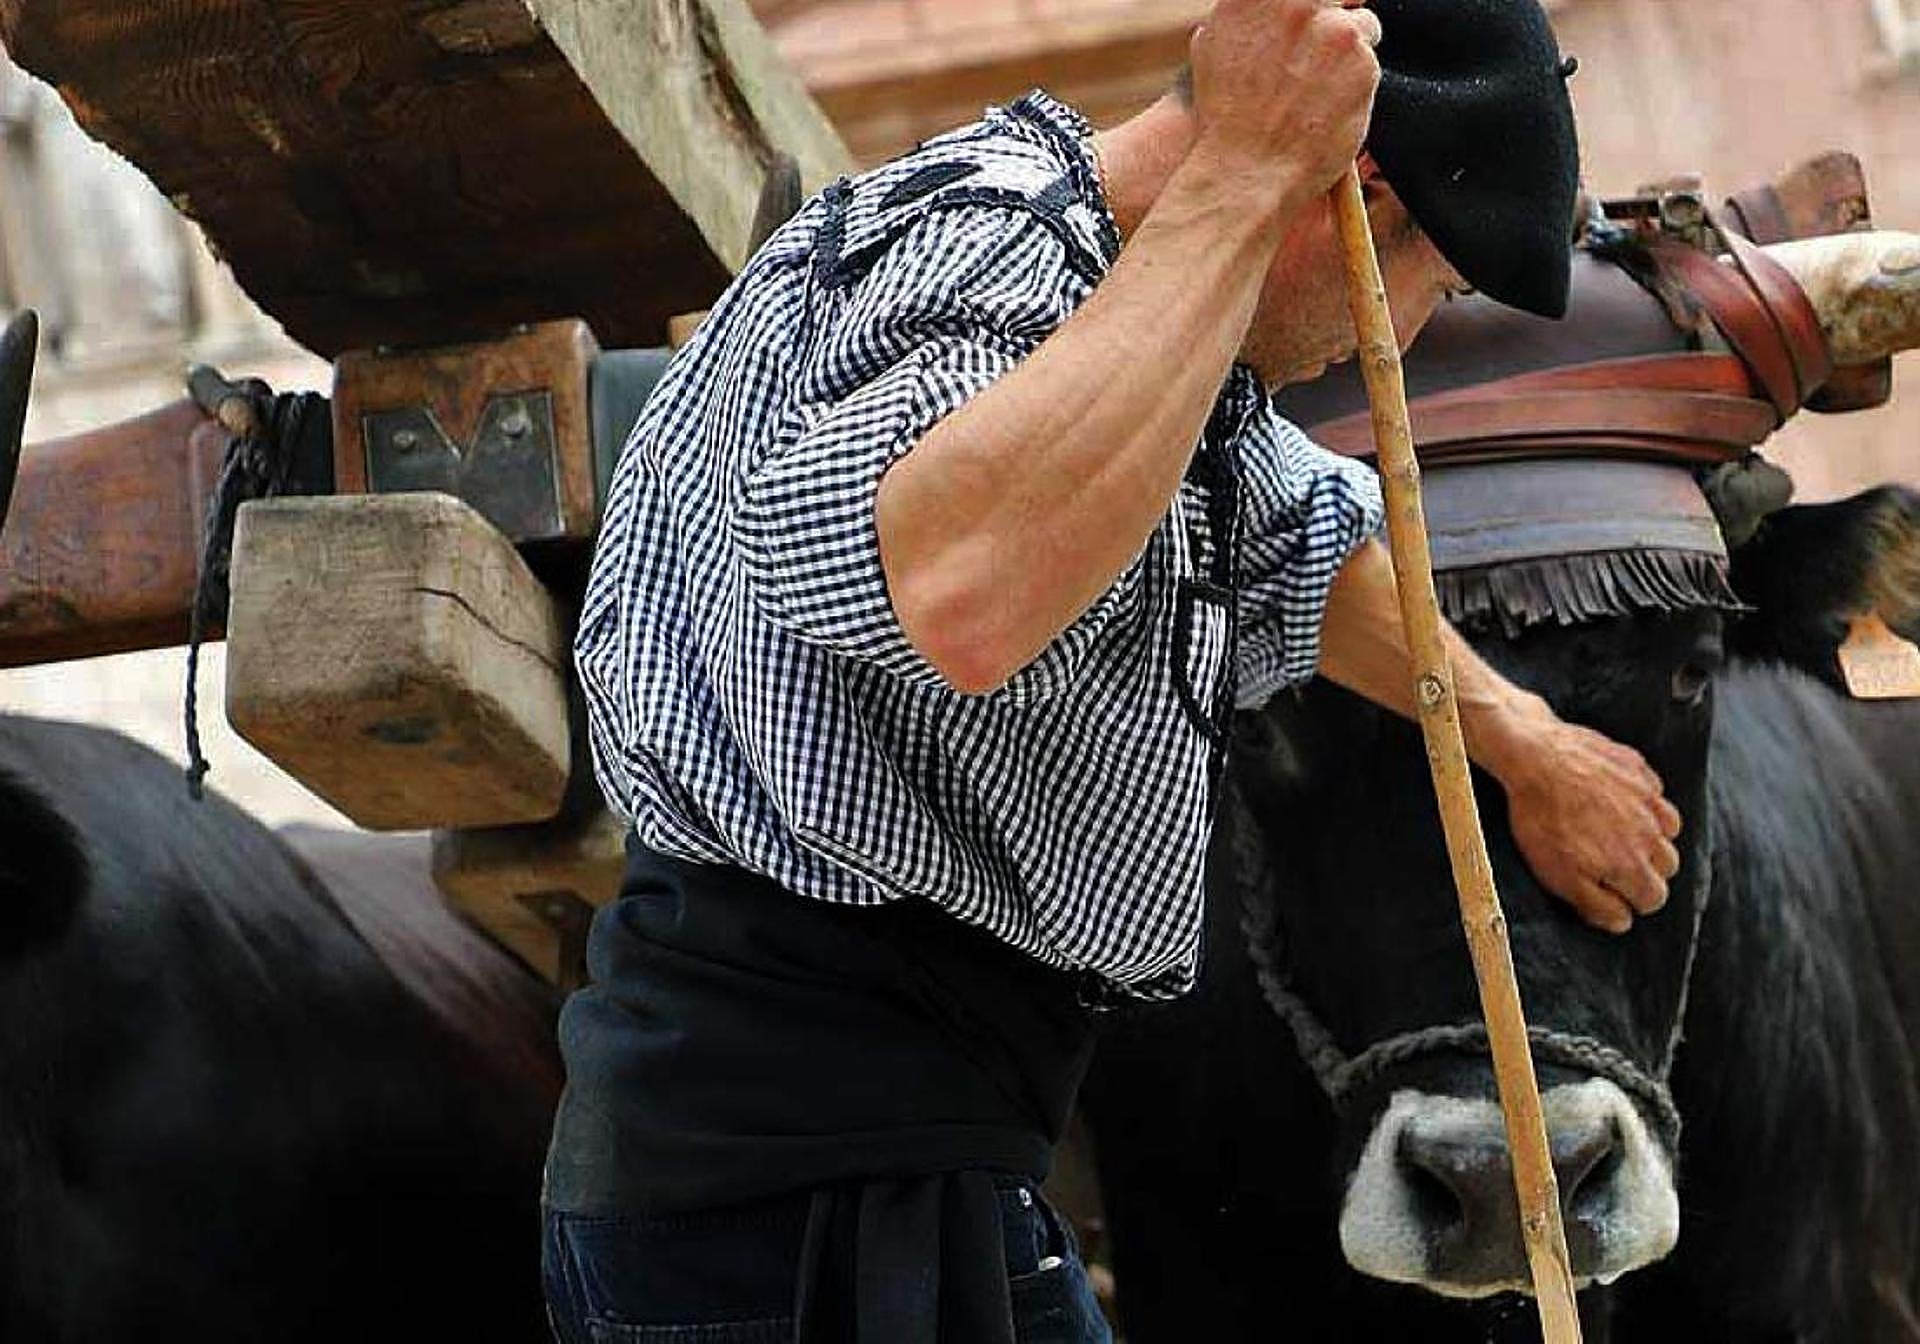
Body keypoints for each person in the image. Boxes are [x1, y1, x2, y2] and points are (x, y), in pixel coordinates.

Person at [544, 0, 1685, 1340]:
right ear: (1359, 194)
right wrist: (1251, 169)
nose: (1414, 331)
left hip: (879, 1176)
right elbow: (960, 598)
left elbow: (1306, 551)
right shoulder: (994, 250)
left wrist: (1526, 743)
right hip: (793, 1203)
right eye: (1433, 285)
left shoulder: (1136, 328)